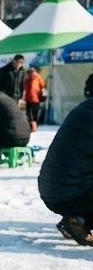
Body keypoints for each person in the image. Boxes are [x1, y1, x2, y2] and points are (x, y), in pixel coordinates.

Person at [38, 99, 93, 246]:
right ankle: (78, 218)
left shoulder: (86, 106)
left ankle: (77, 218)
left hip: (54, 191)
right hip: (71, 193)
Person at [22, 66, 45, 130]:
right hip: (36, 98)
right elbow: (42, 85)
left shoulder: (26, 78)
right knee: (35, 113)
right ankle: (35, 125)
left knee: (28, 113)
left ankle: (30, 124)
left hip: (27, 98)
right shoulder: (37, 77)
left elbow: (24, 87)